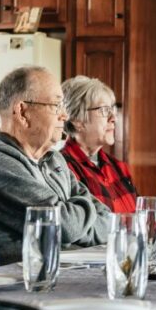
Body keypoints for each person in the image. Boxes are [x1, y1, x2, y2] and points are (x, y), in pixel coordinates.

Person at [0, 66, 111, 264]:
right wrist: (82, 212)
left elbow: (108, 221)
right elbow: (66, 225)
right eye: (56, 105)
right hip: (21, 284)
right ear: (22, 112)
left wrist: (75, 217)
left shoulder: (54, 159)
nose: (64, 115)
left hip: (65, 274)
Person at [60, 75, 137, 213]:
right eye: (104, 110)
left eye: (112, 110)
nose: (113, 118)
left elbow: (140, 221)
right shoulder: (62, 168)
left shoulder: (119, 167)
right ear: (77, 120)